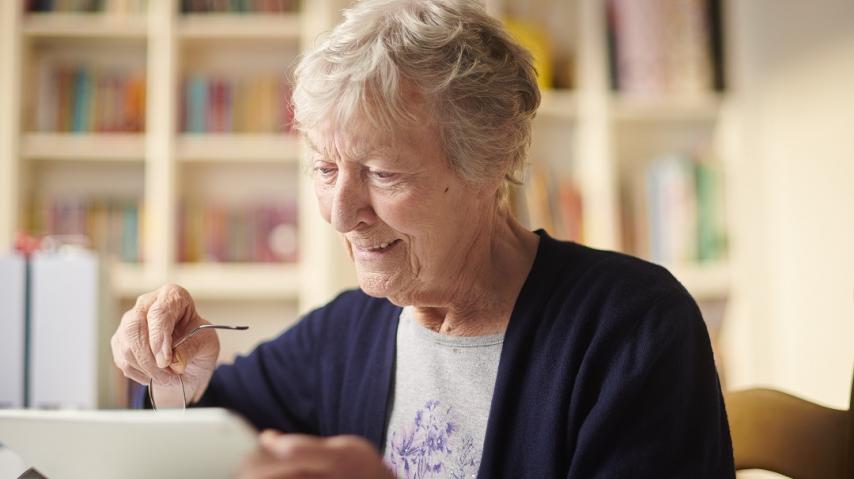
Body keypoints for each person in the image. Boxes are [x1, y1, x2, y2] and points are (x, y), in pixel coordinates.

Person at [111, 0, 734, 477]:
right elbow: (203, 439)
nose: (341, 213)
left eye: (383, 173)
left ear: (488, 166)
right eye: (326, 169)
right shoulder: (346, 333)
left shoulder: (632, 327)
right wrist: (170, 378)